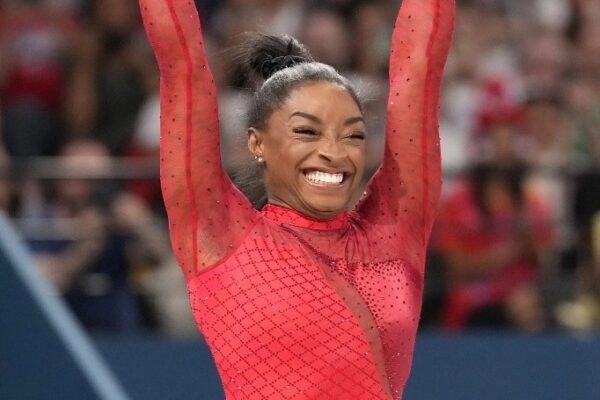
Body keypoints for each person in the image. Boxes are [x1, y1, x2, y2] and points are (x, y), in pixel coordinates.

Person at [139, 0, 454, 398]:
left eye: (353, 135)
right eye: (307, 132)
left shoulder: (394, 230)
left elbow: (419, 71)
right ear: (257, 142)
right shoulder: (220, 236)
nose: (334, 152)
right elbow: (181, 65)